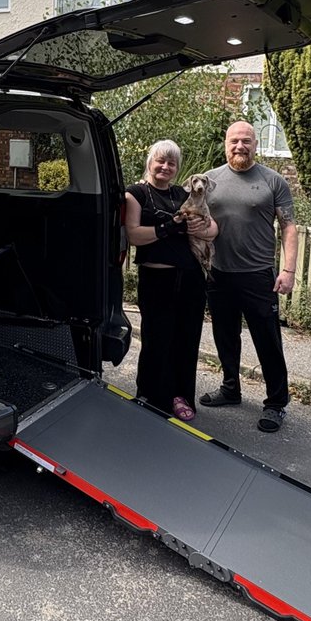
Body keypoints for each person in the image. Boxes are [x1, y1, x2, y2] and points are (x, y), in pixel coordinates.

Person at [199, 121, 298, 433]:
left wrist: (288, 270)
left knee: (267, 340)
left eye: (246, 141)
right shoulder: (209, 180)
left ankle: (276, 403)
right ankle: (230, 389)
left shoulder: (273, 181)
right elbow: (196, 219)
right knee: (225, 336)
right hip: (218, 274)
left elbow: (289, 227)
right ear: (225, 144)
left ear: (256, 145)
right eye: (234, 141)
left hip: (258, 276)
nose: (239, 147)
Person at [125, 139, 219, 422]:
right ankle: (152, 394)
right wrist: (169, 226)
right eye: (161, 161)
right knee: (157, 337)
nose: (165, 167)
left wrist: (205, 228)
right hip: (157, 277)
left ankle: (181, 395)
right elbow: (134, 235)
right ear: (150, 162)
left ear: (178, 169)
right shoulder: (136, 193)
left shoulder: (183, 193)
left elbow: (213, 229)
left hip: (190, 277)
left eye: (172, 163)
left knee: (187, 338)